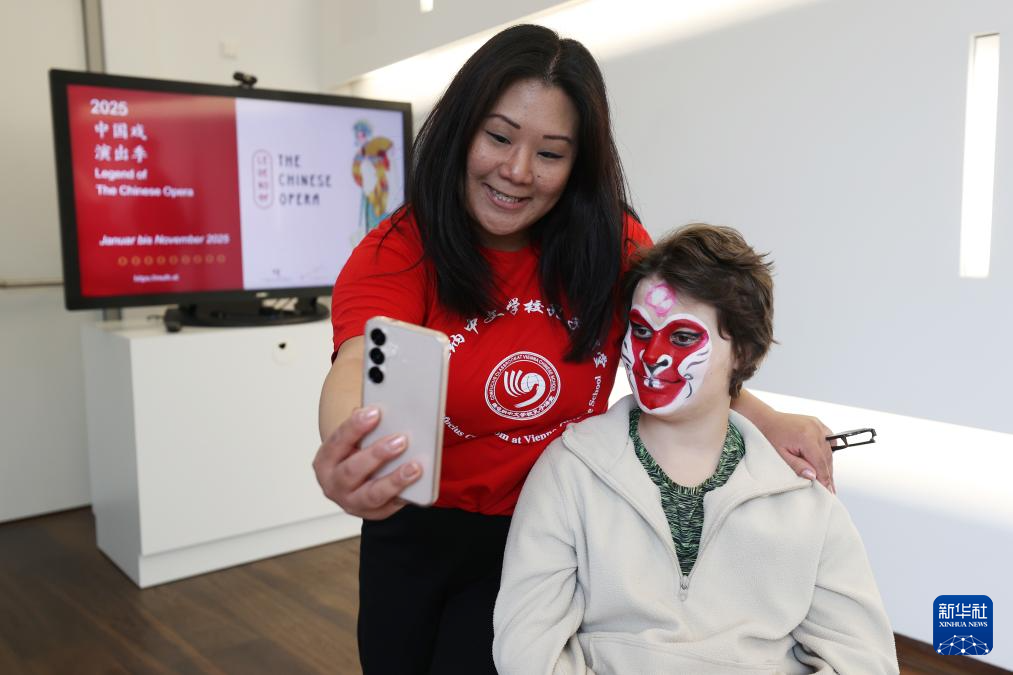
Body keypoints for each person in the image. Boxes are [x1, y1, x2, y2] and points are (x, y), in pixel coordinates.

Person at [313, 24, 836, 675]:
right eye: (498, 137)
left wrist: (766, 419)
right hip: (414, 523)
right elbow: (358, 362)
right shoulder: (399, 249)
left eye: (550, 153)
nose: (517, 171)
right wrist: (350, 451)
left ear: (578, 164)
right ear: (460, 130)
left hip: (550, 524)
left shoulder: (609, 243)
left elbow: (670, 351)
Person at [493, 224, 898, 674]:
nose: (652, 356)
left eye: (683, 337)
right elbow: (528, 651)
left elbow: (866, 662)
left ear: (743, 352)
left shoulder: (803, 500)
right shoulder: (569, 471)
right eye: (640, 330)